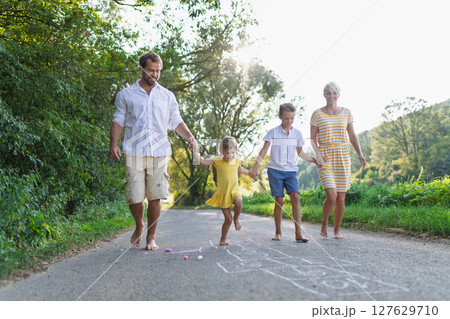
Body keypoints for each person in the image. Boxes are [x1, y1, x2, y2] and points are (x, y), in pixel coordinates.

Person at [109, 51, 197, 251]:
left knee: (155, 195)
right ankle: (139, 223)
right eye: (151, 70)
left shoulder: (167, 96)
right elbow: (118, 120)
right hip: (134, 151)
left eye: (158, 71)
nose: (155, 75)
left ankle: (151, 237)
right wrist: (113, 144)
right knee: (135, 196)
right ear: (141, 69)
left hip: (159, 151)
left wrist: (190, 137)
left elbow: (176, 121)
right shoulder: (126, 95)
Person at [249, 103, 319, 242]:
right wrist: (255, 166)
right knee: (279, 200)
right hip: (275, 170)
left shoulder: (297, 133)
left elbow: (300, 153)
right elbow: (264, 151)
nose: (289, 121)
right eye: (286, 118)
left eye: (292, 118)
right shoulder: (273, 132)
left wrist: (315, 160)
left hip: (291, 171)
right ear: (280, 117)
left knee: (296, 197)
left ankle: (298, 233)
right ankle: (278, 232)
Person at [310, 82, 366, 239]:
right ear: (324, 95)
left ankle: (336, 229)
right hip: (325, 157)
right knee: (332, 196)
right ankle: (323, 223)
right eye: (328, 93)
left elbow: (353, 136)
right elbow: (313, 139)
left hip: (342, 156)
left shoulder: (347, 112)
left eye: (334, 93)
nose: (331, 96)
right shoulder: (317, 114)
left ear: (338, 95)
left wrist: (360, 154)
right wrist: (318, 155)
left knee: (341, 198)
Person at [193, 136, 249, 245]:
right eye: (227, 153)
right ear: (222, 152)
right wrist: (195, 151)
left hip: (234, 191)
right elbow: (202, 161)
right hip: (223, 194)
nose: (230, 156)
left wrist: (249, 172)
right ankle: (223, 239)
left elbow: (240, 169)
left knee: (238, 201)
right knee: (227, 219)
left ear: (236, 150)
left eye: (233, 153)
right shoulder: (217, 160)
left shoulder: (236, 161)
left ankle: (236, 219)